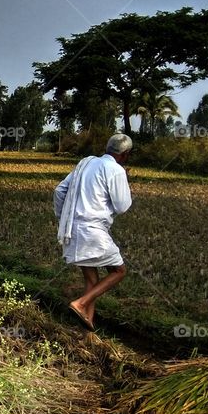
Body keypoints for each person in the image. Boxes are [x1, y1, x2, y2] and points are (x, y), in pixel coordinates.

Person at [54, 133, 134, 331]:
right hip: (92, 230)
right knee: (118, 271)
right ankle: (80, 303)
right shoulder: (115, 170)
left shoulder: (86, 163)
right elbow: (122, 205)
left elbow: (59, 191)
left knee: (92, 279)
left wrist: (63, 218)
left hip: (72, 230)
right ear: (125, 154)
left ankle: (88, 330)